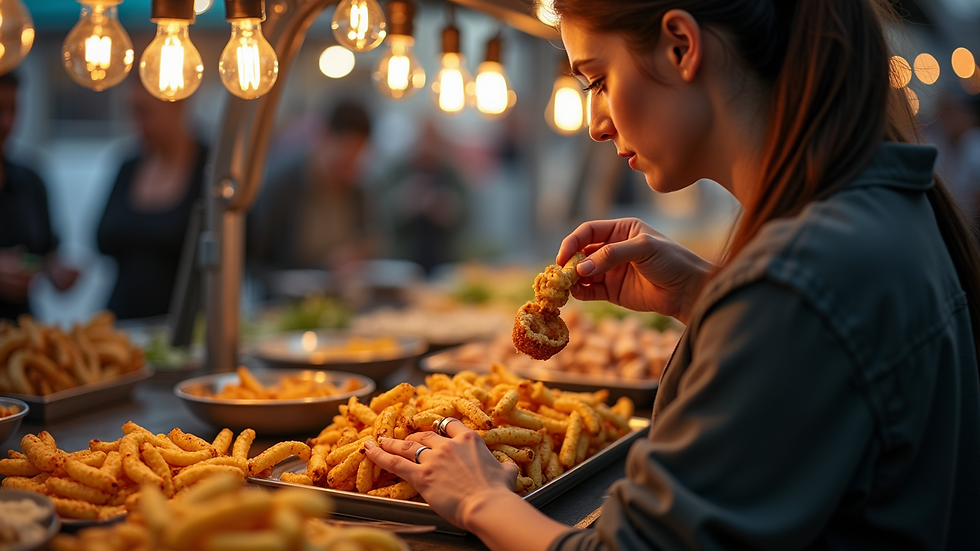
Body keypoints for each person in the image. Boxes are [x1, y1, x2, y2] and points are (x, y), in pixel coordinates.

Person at [364, 1, 980, 549]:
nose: (595, 121)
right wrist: (706, 296)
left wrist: (480, 500)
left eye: (599, 81)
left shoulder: (803, 279)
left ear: (681, 46)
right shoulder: (878, 210)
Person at [96, 85, 208, 320]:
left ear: (178, 104)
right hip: (122, 320)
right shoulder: (129, 166)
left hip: (185, 326)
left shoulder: (210, 169)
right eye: (131, 112)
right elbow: (101, 237)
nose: (135, 124)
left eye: (144, 112)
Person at [247, 99, 377, 293]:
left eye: (355, 162)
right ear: (323, 136)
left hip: (341, 299)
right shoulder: (279, 186)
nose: (349, 171)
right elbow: (253, 263)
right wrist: (321, 270)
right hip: (284, 304)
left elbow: (367, 236)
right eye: (343, 161)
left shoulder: (356, 189)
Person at [0, 72, 79, 320]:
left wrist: (56, 271)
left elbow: (46, 254)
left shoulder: (30, 181)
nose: (7, 122)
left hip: (22, 336)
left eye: (13, 109)